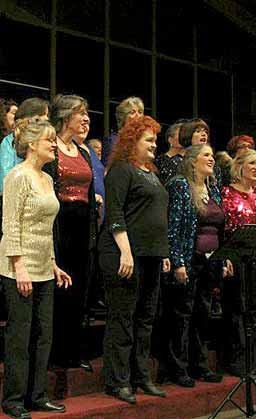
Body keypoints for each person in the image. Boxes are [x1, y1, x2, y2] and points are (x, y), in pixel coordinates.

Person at [0, 118, 71, 419]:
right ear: (31, 145)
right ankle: (13, 399)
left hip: (43, 264)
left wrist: (53, 264)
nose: (54, 144)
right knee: (20, 335)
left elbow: (45, 228)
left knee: (44, 334)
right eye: (49, 140)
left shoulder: (48, 179)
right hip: (19, 265)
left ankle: (37, 394)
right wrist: (20, 267)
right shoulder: (18, 176)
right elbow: (11, 224)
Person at [99, 116, 170, 404]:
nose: (155, 144)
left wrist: (163, 254)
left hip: (152, 256)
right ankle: (118, 381)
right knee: (123, 319)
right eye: (148, 139)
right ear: (132, 142)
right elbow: (115, 213)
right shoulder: (121, 170)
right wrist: (125, 252)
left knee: (145, 320)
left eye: (155, 139)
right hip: (124, 255)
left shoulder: (151, 173)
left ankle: (141, 376)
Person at [166, 144, 228, 388]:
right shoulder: (180, 185)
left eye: (213, 155)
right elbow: (174, 226)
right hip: (189, 259)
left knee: (203, 315)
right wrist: (178, 261)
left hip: (211, 260)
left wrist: (222, 259)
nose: (212, 159)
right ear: (192, 161)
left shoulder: (213, 188)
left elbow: (220, 227)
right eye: (206, 155)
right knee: (182, 314)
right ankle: (178, 368)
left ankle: (200, 365)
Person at [46, 94, 97, 372]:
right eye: (81, 113)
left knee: (79, 288)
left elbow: (89, 192)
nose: (86, 118)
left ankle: (73, 350)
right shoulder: (49, 147)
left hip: (82, 226)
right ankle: (54, 352)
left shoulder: (84, 151)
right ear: (66, 116)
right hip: (58, 224)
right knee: (58, 289)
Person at [220, 149, 256, 376]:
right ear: (239, 167)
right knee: (237, 308)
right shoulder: (227, 193)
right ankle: (236, 360)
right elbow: (222, 229)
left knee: (253, 309)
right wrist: (223, 259)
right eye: (252, 163)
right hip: (234, 257)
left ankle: (252, 362)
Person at [0, 98, 49, 196]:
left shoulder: (47, 142)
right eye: (43, 114)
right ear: (31, 118)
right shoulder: (10, 141)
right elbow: (5, 181)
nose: (47, 118)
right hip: (19, 196)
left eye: (47, 114)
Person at [101, 97, 144, 165]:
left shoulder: (143, 140)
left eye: (140, 112)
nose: (137, 115)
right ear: (123, 117)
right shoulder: (112, 140)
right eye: (132, 112)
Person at [154, 120, 187, 187]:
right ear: (170, 140)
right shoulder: (159, 160)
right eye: (181, 134)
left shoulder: (189, 161)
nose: (185, 137)